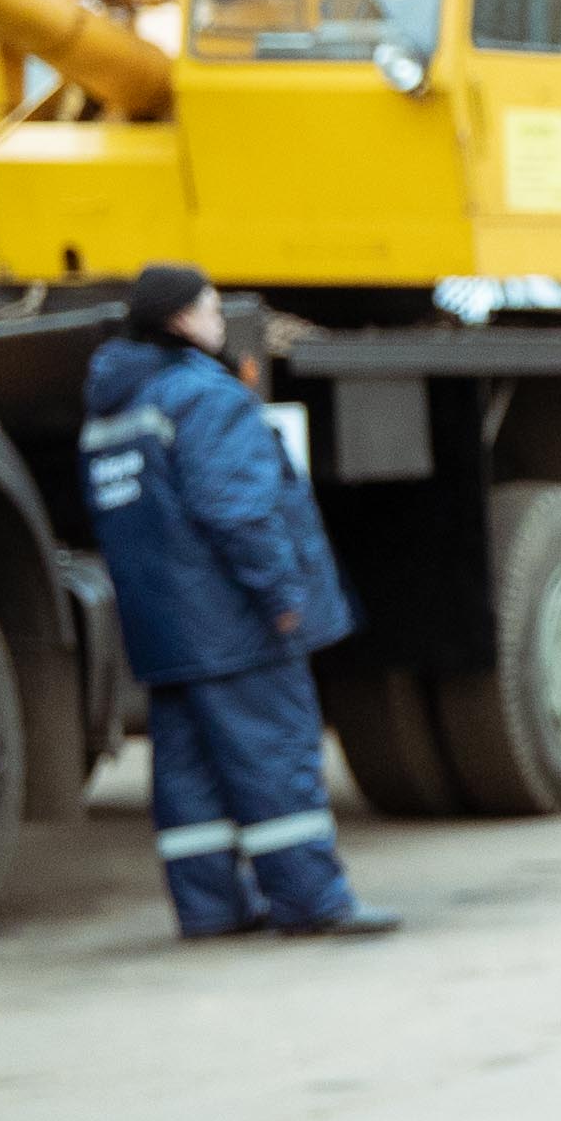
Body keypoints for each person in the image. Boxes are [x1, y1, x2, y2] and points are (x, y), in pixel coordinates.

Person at [76, 264, 397, 940]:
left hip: (167, 629)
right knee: (276, 758)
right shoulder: (202, 395)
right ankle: (313, 902)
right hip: (234, 624)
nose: (219, 321)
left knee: (190, 774)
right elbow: (239, 511)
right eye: (212, 308)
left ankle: (211, 908)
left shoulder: (113, 406)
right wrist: (282, 597)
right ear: (181, 319)